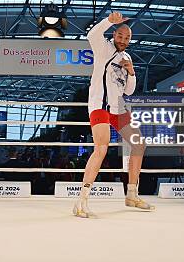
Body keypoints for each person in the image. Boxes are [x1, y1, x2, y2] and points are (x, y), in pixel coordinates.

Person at [74, 11, 154, 218]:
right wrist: (109, 21)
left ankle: (132, 194)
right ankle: (81, 201)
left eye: (127, 38)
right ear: (114, 35)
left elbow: (129, 91)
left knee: (138, 144)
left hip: (118, 108)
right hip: (99, 104)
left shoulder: (127, 57)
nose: (123, 40)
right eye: (120, 35)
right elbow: (92, 35)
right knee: (101, 148)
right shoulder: (104, 48)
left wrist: (132, 72)